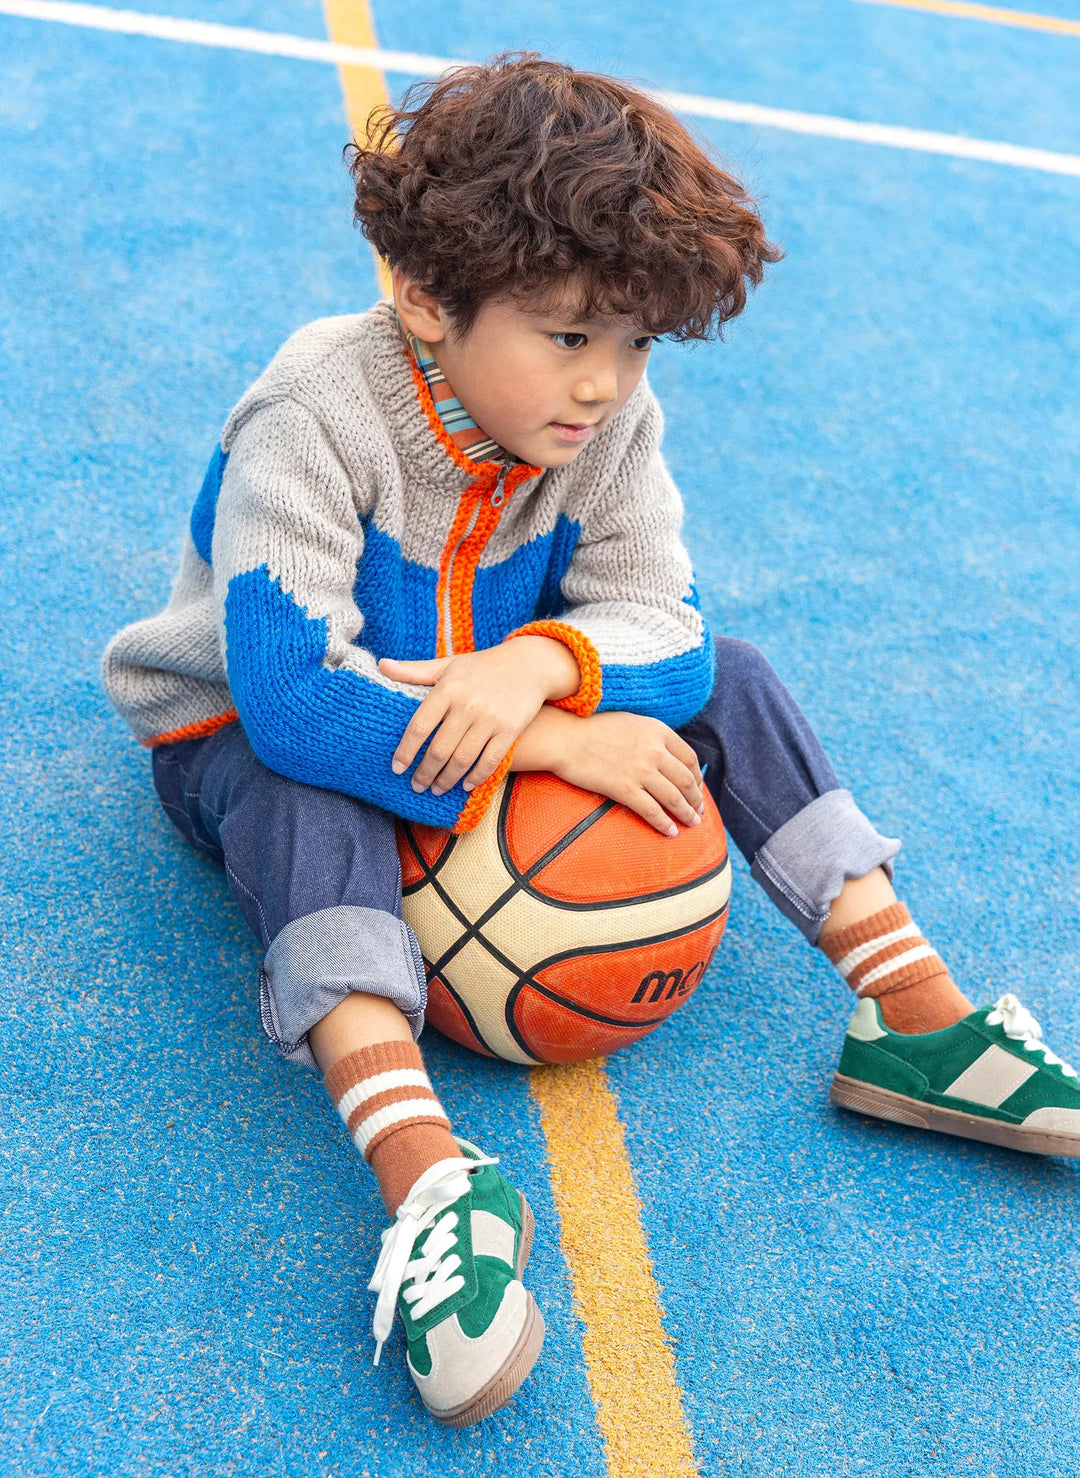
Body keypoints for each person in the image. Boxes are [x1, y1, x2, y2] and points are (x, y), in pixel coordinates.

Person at [101, 54, 1080, 1428]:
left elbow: (671, 627)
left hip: (492, 692)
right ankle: (429, 1180)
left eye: (635, 344)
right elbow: (290, 696)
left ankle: (910, 1013)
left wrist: (540, 668)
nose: (607, 384)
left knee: (735, 675)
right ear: (424, 295)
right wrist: (549, 744)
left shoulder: (604, 423)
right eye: (569, 337)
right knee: (298, 790)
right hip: (246, 730)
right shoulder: (313, 412)